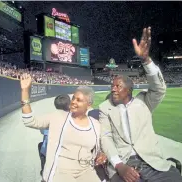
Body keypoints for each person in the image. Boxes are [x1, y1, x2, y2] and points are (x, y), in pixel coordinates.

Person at [99, 27, 182, 182]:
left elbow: (159, 88)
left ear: (129, 90)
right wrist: (119, 166)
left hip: (152, 163)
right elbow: (106, 138)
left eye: (118, 86)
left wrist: (146, 60)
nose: (113, 89)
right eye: (112, 86)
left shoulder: (144, 101)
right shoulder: (105, 108)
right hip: (124, 164)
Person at [20, 80, 102, 182]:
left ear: (89, 104)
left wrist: (102, 154)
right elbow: (30, 121)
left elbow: (100, 147)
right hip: (60, 172)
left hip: (86, 171)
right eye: (73, 98)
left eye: (79, 100)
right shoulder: (58, 117)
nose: (73, 102)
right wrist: (25, 91)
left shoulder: (95, 125)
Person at [38, 94, 71, 176]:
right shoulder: (74, 118)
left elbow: (42, 131)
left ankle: (44, 169)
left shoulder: (49, 117)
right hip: (68, 153)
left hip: (51, 152)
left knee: (41, 146)